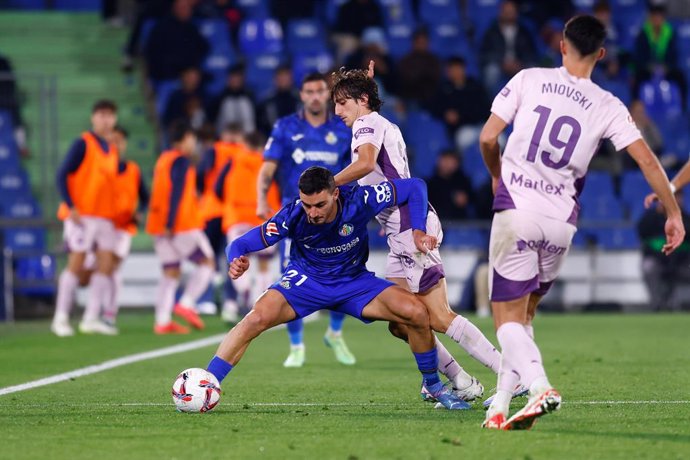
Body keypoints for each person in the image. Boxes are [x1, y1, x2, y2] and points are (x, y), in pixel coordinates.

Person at [478, 15, 685, 430]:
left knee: (504, 321)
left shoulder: (529, 79)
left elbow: (487, 137)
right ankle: (499, 405)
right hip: (562, 223)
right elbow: (646, 160)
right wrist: (674, 212)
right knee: (526, 316)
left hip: (517, 209)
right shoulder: (608, 103)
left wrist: (497, 175)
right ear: (601, 54)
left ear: (561, 44)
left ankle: (539, 387)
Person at [206, 166, 470, 411]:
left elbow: (415, 186)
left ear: (335, 193)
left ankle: (433, 386)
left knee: (416, 312)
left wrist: (418, 230)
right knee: (256, 318)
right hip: (306, 282)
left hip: (354, 283)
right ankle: (206, 384)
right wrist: (235, 260)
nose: (313, 213)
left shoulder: (360, 199)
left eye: (320, 204)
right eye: (308, 205)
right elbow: (240, 244)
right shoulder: (293, 215)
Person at [331, 65, 509, 403]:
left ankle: (509, 375)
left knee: (439, 315)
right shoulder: (382, 123)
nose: (337, 111)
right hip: (400, 226)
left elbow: (367, 164)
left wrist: (330, 183)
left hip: (410, 227)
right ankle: (459, 379)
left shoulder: (366, 125)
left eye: (342, 103)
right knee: (400, 321)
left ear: (362, 100)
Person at [256, 72, 354, 368]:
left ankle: (335, 333)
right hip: (297, 215)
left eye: (319, 91)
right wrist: (261, 198)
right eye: (309, 91)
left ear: (327, 94)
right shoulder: (286, 127)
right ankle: (296, 346)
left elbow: (358, 164)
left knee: (346, 274)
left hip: (336, 213)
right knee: (291, 279)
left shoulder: (343, 127)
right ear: (301, 94)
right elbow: (268, 167)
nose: (314, 96)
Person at [52, 100, 120, 337]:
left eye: (110, 115)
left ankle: (91, 317)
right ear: (93, 117)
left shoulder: (111, 149)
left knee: (105, 263)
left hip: (103, 217)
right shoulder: (83, 143)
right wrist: (70, 206)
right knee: (77, 262)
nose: (106, 119)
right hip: (81, 215)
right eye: (101, 114)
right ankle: (60, 317)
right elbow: (61, 174)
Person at [146, 122, 215, 334]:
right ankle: (186, 302)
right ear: (185, 138)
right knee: (207, 262)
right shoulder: (181, 161)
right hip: (180, 225)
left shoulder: (163, 160)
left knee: (170, 272)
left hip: (158, 225)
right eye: (192, 139)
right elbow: (176, 192)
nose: (194, 144)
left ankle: (163, 320)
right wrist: (170, 222)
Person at [79, 125, 149, 331]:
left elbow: (144, 197)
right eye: (113, 140)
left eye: (120, 140)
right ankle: (98, 314)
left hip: (123, 227)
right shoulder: (100, 167)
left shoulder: (133, 169)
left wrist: (140, 211)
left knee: (112, 267)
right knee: (102, 270)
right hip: (102, 223)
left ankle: (106, 313)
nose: (116, 144)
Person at [215, 131, 281, 321]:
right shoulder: (268, 163)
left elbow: (218, 187)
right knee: (264, 264)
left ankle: (242, 292)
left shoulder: (233, 160)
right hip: (263, 217)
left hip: (237, 216)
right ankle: (261, 305)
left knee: (237, 259)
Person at [196, 123, 245, 317]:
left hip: (211, 210)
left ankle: (206, 300)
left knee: (208, 259)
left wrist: (202, 193)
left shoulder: (215, 149)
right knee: (231, 258)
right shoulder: (245, 153)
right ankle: (229, 302)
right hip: (233, 213)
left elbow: (201, 173)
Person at [637, 191, 690, 311]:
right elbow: (643, 236)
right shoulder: (650, 218)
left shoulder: (685, 219)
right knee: (648, 267)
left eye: (678, 197)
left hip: (681, 262)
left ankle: (679, 305)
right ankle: (657, 305)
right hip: (657, 260)